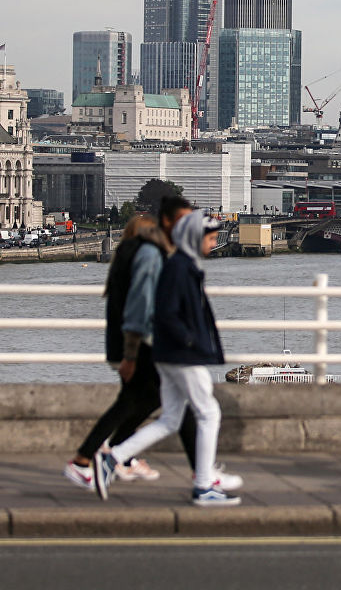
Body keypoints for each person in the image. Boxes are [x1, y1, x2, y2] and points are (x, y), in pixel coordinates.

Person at [94, 211, 243, 507]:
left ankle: (114, 458)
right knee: (209, 412)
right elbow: (168, 313)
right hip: (182, 354)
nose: (213, 244)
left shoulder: (180, 264)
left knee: (171, 419)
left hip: (170, 353)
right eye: (210, 239)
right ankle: (203, 484)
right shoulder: (181, 268)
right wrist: (191, 341)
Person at [63, 202, 199, 489]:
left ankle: (114, 457)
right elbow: (142, 309)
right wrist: (131, 353)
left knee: (141, 401)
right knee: (150, 403)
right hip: (135, 347)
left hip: (128, 345)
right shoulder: (148, 257)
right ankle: (89, 459)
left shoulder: (126, 258)